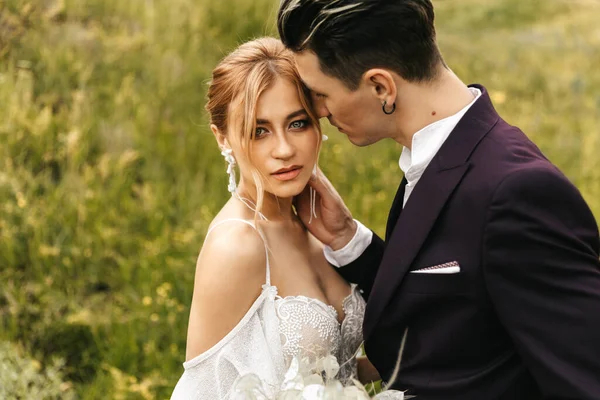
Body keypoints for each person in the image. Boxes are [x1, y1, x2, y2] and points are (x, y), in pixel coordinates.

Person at [277, 1, 600, 399]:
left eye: (321, 94)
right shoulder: (439, 156)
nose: (320, 111)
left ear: (381, 87)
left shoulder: (517, 193)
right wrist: (347, 238)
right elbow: (451, 311)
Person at [170, 37, 379, 400]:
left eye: (297, 123)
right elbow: (201, 391)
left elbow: (336, 372)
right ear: (222, 138)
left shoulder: (317, 222)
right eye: (259, 131)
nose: (283, 150)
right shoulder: (237, 245)